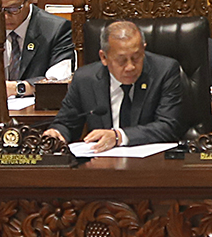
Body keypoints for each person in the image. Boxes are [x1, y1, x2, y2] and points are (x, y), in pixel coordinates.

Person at [45, 21, 182, 152]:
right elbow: (67, 123)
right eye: (122, 60)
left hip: (152, 166)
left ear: (144, 49)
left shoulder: (164, 71)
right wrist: (57, 133)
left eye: (137, 57)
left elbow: (168, 127)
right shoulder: (85, 79)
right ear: (104, 57)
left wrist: (118, 136)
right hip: (101, 165)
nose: (130, 67)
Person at [0, 0, 73, 98]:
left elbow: (58, 81)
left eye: (13, 9)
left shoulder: (57, 30)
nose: (4, 17)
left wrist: (19, 88)